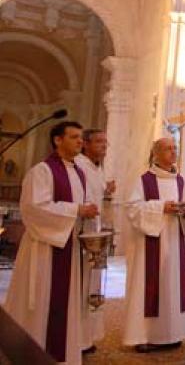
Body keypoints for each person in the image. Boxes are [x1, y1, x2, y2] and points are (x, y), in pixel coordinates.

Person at [3, 121, 99, 364]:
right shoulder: (42, 171)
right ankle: (32, 353)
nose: (80, 141)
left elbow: (80, 207)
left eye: (81, 137)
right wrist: (77, 210)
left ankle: (63, 355)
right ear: (57, 140)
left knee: (65, 304)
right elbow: (35, 208)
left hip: (69, 246)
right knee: (41, 303)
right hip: (45, 248)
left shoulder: (78, 172)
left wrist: (87, 214)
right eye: (74, 137)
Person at [123, 137, 185, 352]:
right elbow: (132, 208)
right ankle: (145, 335)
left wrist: (184, 210)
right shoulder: (144, 180)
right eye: (168, 149)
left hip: (174, 242)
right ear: (156, 153)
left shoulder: (181, 181)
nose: (173, 152)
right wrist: (161, 207)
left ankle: (172, 333)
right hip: (150, 245)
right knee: (149, 288)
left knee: (173, 287)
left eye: (175, 148)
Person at [74, 129, 113, 353]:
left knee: (90, 286)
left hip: (93, 233)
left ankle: (85, 337)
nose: (104, 146)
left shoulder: (96, 168)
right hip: (80, 232)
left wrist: (106, 191)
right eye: (99, 141)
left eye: (105, 142)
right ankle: (75, 337)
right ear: (85, 144)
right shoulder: (78, 165)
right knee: (79, 284)